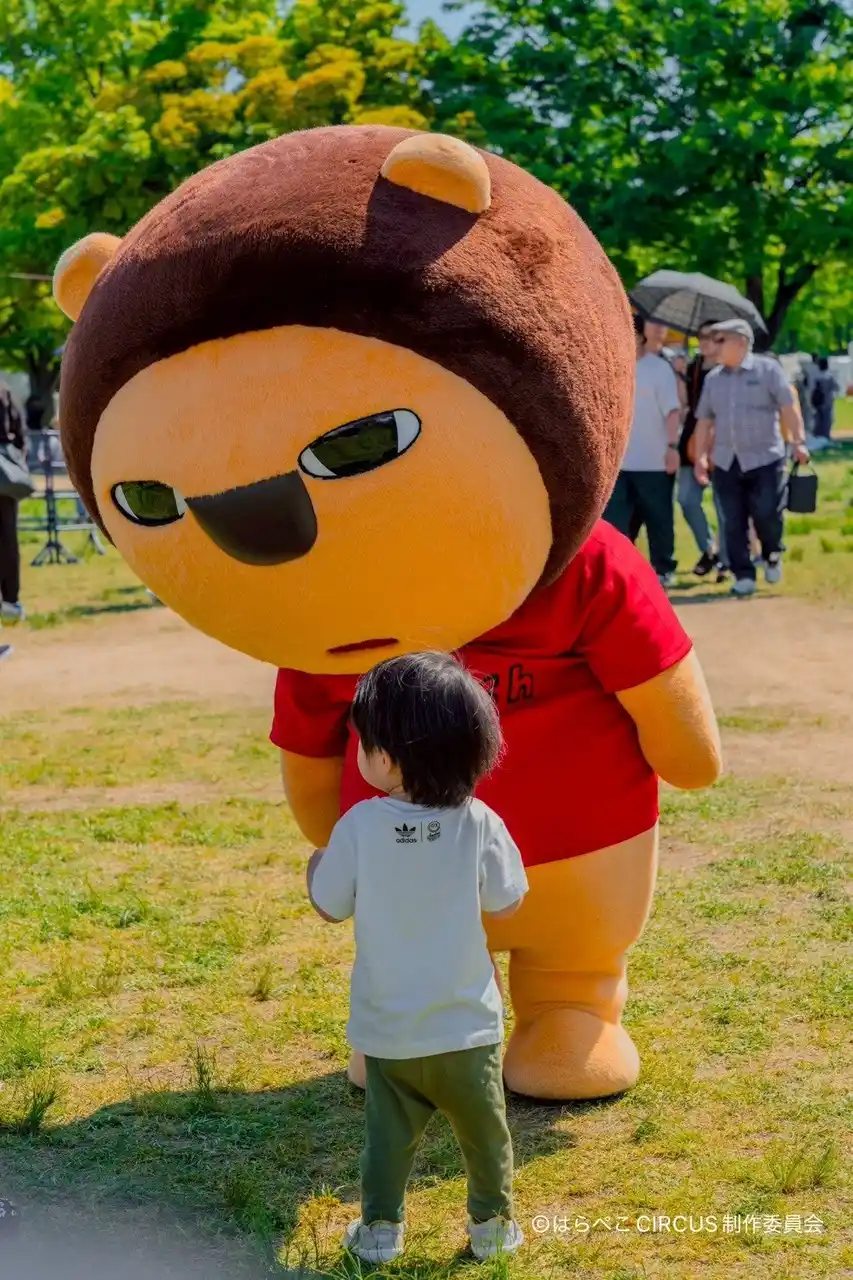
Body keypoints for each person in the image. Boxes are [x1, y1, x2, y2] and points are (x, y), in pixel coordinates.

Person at [306, 652, 528, 1265]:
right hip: (467, 1027)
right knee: (485, 1135)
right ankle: (491, 1228)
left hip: (390, 1030)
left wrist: (316, 868)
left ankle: (380, 1231)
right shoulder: (478, 821)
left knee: (387, 1141)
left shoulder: (360, 825)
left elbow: (330, 905)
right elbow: (508, 900)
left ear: (388, 758)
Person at [692, 319, 808, 598]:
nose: (714, 346)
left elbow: (788, 407)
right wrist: (700, 458)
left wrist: (799, 442)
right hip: (726, 461)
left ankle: (772, 554)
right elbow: (704, 421)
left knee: (767, 513)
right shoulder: (713, 379)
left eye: (721, 340)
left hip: (765, 458)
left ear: (741, 342)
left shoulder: (768, 370)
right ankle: (743, 575)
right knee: (732, 521)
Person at [603, 313, 681, 586]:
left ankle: (663, 568)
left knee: (659, 518)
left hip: (654, 462)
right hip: (619, 464)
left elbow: (673, 412)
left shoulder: (659, 369)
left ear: (638, 337)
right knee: (614, 521)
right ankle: (618, 572)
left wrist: (672, 447)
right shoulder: (612, 368)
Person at [677, 322, 728, 580]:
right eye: (702, 336)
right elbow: (682, 404)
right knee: (686, 499)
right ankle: (709, 550)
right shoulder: (691, 368)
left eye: (712, 336)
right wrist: (678, 375)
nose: (706, 341)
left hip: (723, 441)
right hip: (692, 441)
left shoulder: (730, 370)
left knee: (725, 506)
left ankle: (726, 561)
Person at [0, 378, 27, 623]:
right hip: (4, 473)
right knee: (8, 537)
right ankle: (10, 599)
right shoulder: (5, 390)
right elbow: (20, 434)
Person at [811, 357, 839, 440]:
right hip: (827, 401)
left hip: (818, 402)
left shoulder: (815, 376)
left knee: (818, 419)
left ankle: (817, 435)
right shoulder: (829, 376)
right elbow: (836, 387)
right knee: (827, 420)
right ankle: (826, 436)